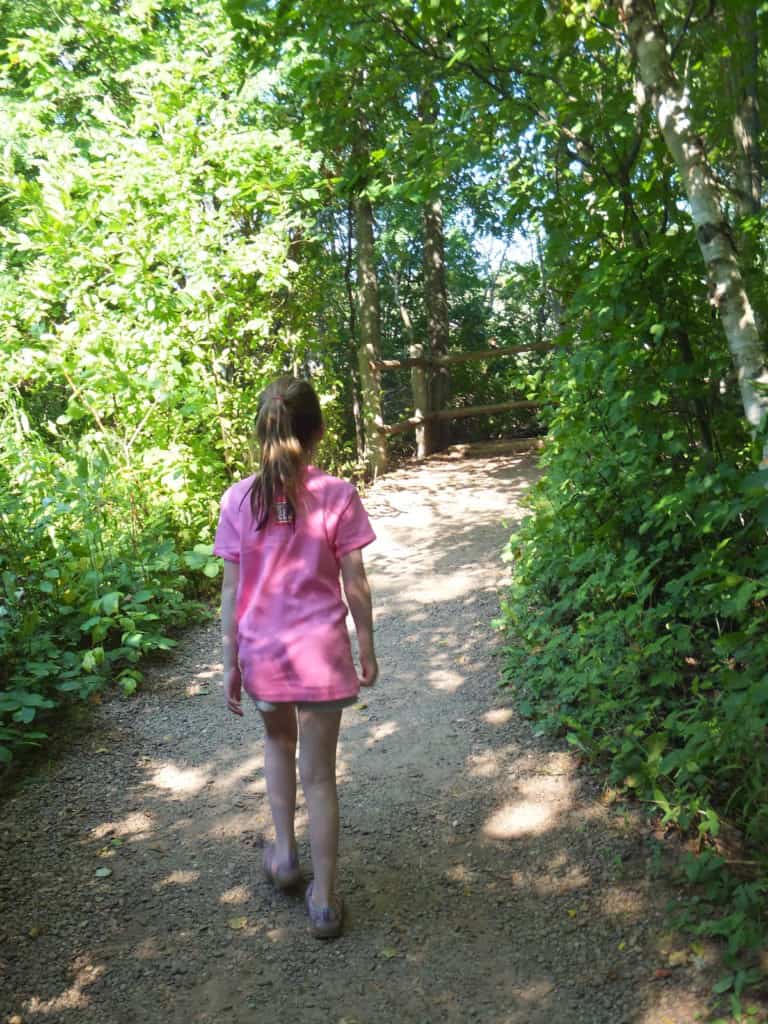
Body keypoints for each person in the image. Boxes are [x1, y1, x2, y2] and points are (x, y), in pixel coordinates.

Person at [213, 376, 378, 939]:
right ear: (317, 434)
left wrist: (230, 663)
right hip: (322, 657)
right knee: (321, 777)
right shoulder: (337, 495)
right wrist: (367, 646)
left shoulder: (238, 500)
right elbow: (355, 581)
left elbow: (232, 593)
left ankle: (285, 858)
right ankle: (325, 900)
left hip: (265, 655)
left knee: (277, 743)